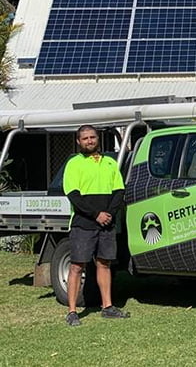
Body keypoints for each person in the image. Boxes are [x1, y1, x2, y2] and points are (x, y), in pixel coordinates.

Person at [63, 125, 129, 326]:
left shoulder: (110, 163)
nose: (89, 141)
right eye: (85, 138)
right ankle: (72, 311)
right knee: (77, 266)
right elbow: (73, 195)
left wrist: (109, 214)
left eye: (92, 137)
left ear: (97, 139)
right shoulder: (73, 164)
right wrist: (95, 215)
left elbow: (119, 191)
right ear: (78, 142)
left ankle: (107, 306)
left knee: (104, 263)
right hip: (83, 224)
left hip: (106, 224)